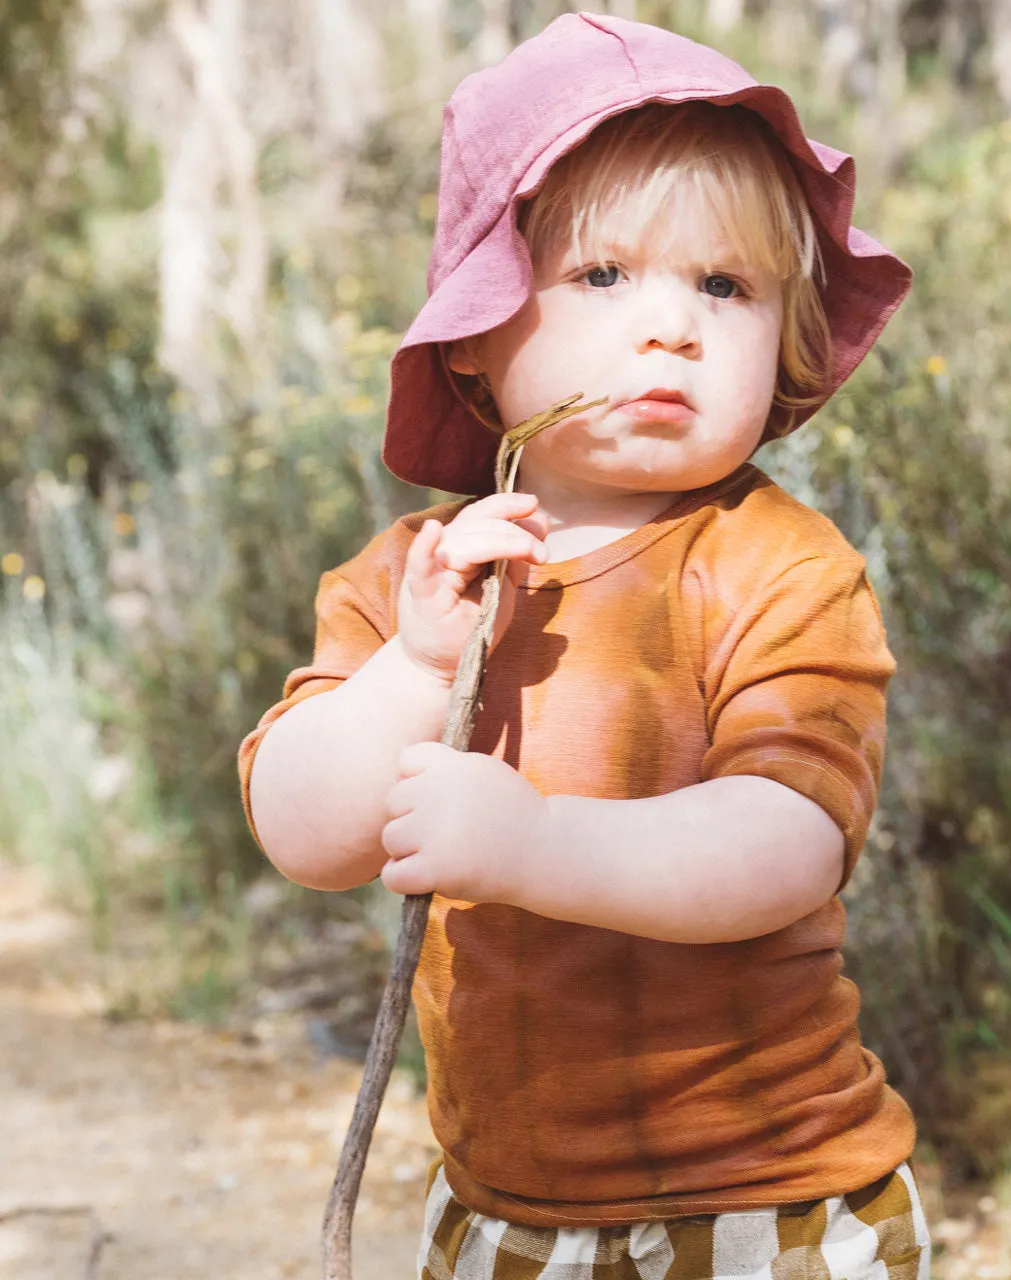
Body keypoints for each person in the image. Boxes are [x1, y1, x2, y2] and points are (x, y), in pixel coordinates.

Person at [239, 12, 929, 1278]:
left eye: (723, 285)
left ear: (782, 335)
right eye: (602, 276)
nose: (670, 325)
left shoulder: (779, 566)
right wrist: (411, 668)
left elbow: (790, 838)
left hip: (765, 1199)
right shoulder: (414, 578)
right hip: (505, 1205)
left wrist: (537, 845)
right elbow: (303, 831)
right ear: (477, 331)